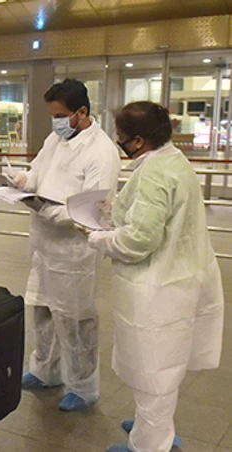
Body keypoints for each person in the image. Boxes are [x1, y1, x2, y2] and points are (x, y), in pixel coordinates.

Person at [86, 101, 224, 452]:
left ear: (138, 141)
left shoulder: (153, 173)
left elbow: (140, 239)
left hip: (158, 286)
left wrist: (100, 239)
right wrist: (116, 210)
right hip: (179, 278)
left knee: (153, 370)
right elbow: (154, 214)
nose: (118, 142)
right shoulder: (172, 161)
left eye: (121, 136)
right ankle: (155, 426)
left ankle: (149, 444)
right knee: (162, 364)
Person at [13, 78, 121, 411]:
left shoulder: (101, 152)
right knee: (43, 310)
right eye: (52, 116)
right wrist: (23, 181)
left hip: (75, 252)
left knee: (75, 320)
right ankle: (45, 370)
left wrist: (46, 209)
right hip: (45, 245)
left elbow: (91, 210)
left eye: (60, 116)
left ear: (82, 112)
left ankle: (83, 386)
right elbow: (37, 172)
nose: (55, 122)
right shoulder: (55, 139)